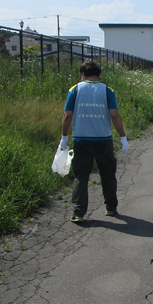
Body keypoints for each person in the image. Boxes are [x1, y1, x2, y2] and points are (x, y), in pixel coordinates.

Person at [60, 61, 128, 223]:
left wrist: (64, 137)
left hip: (81, 139)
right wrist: (123, 137)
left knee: (81, 176)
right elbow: (115, 115)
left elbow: (67, 115)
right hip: (103, 140)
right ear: (99, 74)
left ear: (82, 74)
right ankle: (111, 208)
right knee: (108, 174)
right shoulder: (107, 90)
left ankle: (78, 213)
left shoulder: (75, 90)